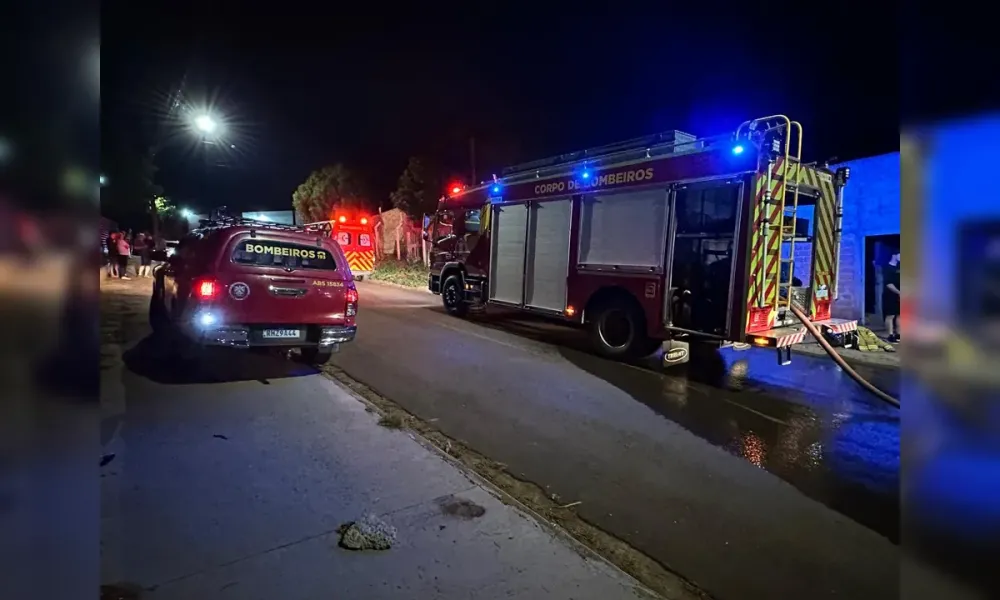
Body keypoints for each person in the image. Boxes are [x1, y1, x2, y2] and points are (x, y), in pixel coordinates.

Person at [882, 251, 901, 342]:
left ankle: (898, 334)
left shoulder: (899, 267)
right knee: (891, 315)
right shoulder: (887, 268)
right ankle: (890, 335)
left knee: (900, 315)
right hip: (890, 295)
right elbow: (888, 284)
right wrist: (899, 292)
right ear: (894, 255)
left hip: (900, 295)